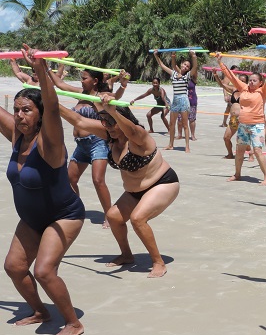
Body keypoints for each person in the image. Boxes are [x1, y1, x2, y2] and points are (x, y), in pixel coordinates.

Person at [1, 46, 85, 335]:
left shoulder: (49, 143)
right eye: (17, 110)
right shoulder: (16, 135)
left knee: (44, 270)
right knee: (13, 267)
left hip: (64, 215)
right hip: (33, 218)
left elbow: (51, 104)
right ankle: (40, 311)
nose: (20, 115)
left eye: (27, 110)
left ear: (39, 115)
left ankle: (73, 322)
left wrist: (39, 68)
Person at [60, 95, 180, 278]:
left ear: (121, 118)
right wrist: (48, 99)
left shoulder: (138, 134)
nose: (107, 127)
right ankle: (126, 255)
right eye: (104, 123)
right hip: (135, 191)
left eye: (111, 123)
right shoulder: (110, 134)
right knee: (113, 216)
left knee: (138, 218)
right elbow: (79, 121)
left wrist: (112, 111)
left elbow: (130, 131)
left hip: (162, 183)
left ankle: (158, 262)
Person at [48, 67, 126, 229]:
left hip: (97, 142)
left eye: (84, 78)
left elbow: (116, 97)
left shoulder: (100, 97)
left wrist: (123, 85)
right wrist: (44, 67)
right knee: (70, 180)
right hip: (81, 145)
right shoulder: (79, 92)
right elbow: (60, 84)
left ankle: (109, 215)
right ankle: (76, 210)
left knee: (98, 180)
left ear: (95, 81)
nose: (81, 81)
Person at [215, 56, 266, 185]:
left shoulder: (263, 91)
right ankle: (237, 174)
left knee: (258, 150)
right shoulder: (244, 88)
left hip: (257, 126)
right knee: (240, 150)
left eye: (254, 81)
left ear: (260, 83)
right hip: (243, 125)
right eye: (251, 80)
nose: (251, 82)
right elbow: (231, 76)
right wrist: (220, 62)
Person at [153, 49, 197, 153]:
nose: (185, 67)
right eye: (184, 64)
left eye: (187, 66)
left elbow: (195, 67)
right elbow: (162, 65)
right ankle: (171, 144)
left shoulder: (187, 76)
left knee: (185, 124)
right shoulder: (173, 74)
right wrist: (156, 55)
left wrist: (193, 56)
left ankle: (187, 146)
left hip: (183, 100)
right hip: (176, 100)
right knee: (172, 123)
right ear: (181, 64)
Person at [215, 70, 248, 158]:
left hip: (243, 119)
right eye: (240, 80)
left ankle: (251, 154)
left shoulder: (248, 91)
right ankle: (230, 154)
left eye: (243, 81)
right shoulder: (233, 89)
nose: (241, 82)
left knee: (243, 140)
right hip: (233, 119)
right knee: (226, 137)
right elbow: (221, 84)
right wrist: (215, 74)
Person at [187, 72, 198, 141]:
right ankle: (179, 134)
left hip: (192, 101)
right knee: (180, 119)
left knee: (192, 119)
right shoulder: (181, 77)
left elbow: (195, 68)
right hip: (183, 100)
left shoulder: (193, 79)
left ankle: (192, 135)